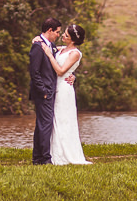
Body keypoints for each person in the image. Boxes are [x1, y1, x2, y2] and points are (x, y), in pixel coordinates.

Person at [41, 23, 92, 165]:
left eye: (66, 35)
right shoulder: (62, 49)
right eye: (63, 33)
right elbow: (47, 46)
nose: (62, 35)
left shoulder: (75, 53)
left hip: (64, 89)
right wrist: (37, 40)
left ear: (73, 39)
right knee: (55, 120)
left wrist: (49, 55)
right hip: (55, 87)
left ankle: (65, 154)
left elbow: (61, 71)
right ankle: (52, 152)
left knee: (63, 120)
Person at [28, 17, 64, 164]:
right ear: (50, 30)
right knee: (45, 125)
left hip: (49, 91)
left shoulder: (51, 46)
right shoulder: (37, 47)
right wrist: (43, 91)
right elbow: (34, 72)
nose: (58, 35)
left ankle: (38, 158)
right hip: (43, 92)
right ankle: (45, 158)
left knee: (41, 125)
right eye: (57, 32)